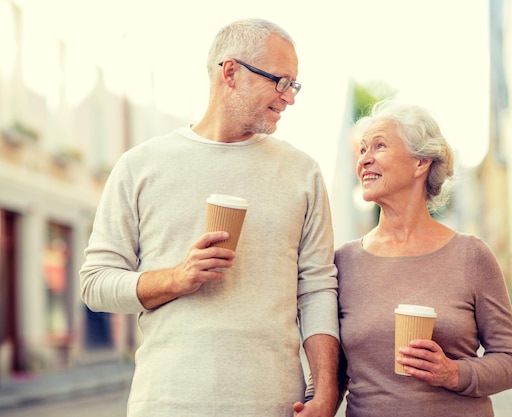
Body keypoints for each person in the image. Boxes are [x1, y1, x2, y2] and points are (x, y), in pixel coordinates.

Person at [79, 18, 339, 417]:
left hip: (275, 405)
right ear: (231, 72)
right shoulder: (140, 166)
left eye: (294, 84)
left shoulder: (302, 172)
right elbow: (96, 283)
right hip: (167, 403)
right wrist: (177, 277)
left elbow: (317, 289)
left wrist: (324, 391)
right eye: (280, 81)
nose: (289, 98)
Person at [334, 100, 512, 416]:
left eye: (379, 146)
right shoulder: (344, 262)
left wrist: (453, 373)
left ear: (421, 162)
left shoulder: (471, 255)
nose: (364, 160)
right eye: (363, 149)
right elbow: (331, 372)